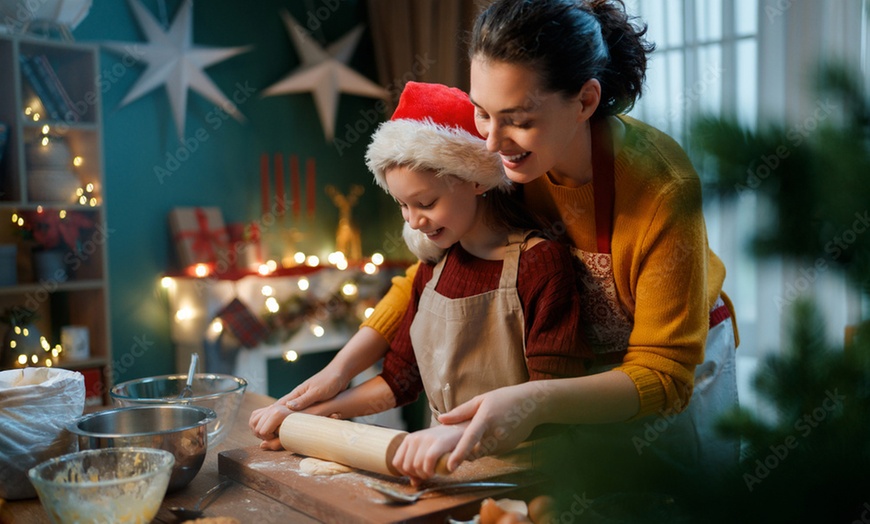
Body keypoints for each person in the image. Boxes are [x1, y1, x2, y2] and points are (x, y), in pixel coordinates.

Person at [254, 0, 740, 491]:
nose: (490, 142)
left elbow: (663, 373)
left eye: (518, 119)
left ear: (585, 101)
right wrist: (339, 372)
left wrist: (531, 400)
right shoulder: (512, 163)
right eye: (482, 113)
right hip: (578, 378)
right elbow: (425, 273)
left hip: (668, 380)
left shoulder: (662, 188)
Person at [250, 81, 590, 479]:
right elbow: (398, 381)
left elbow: (548, 400)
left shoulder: (541, 264)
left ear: (477, 178)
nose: (413, 222)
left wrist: (460, 435)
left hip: (524, 476)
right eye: (403, 206)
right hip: (440, 466)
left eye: (426, 203)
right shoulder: (434, 264)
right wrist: (307, 414)